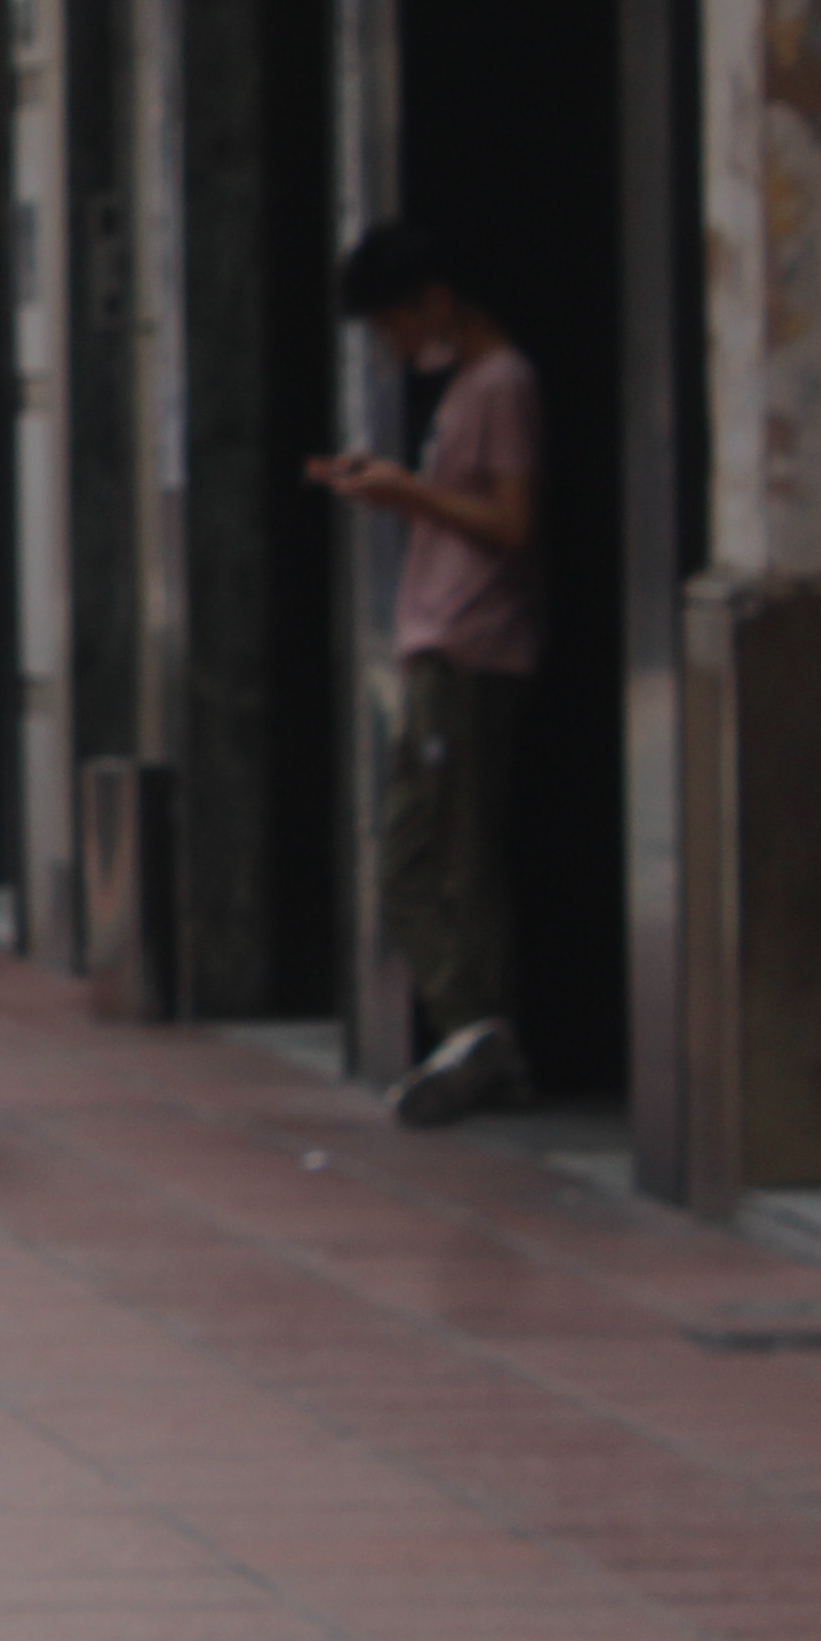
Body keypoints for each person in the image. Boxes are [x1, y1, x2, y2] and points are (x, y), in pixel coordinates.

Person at [314, 218, 542, 1129]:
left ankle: (478, 1030)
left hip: (470, 643)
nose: (394, 346)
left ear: (436, 302)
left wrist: (406, 492)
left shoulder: (501, 384)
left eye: (394, 324)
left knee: (433, 857)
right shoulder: (472, 388)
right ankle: (483, 1039)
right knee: (436, 855)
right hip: (446, 641)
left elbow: (512, 523)